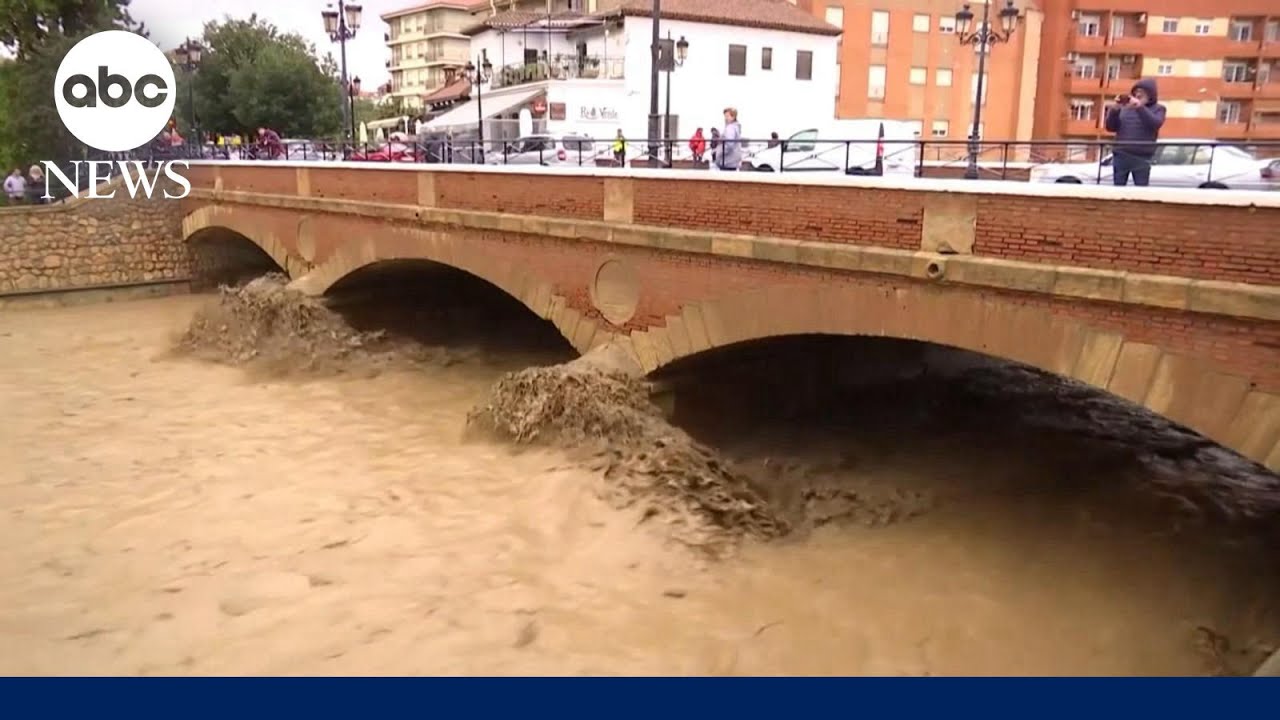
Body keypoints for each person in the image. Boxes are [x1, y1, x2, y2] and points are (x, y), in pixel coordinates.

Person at [1103, 78, 1165, 187]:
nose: (1138, 94)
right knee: (1118, 188)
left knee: (1141, 189)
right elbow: (1111, 127)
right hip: (1121, 155)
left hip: (1141, 157)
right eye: (1136, 92)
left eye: (1142, 92)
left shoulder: (1158, 109)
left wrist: (1139, 107)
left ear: (1150, 95)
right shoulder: (1126, 109)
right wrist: (1115, 110)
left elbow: (1155, 124)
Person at [719, 107, 743, 171]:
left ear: (733, 117)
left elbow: (729, 144)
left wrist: (720, 153)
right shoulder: (736, 127)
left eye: (727, 116)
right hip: (733, 160)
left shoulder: (730, 128)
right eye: (725, 116)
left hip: (727, 160)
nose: (725, 118)